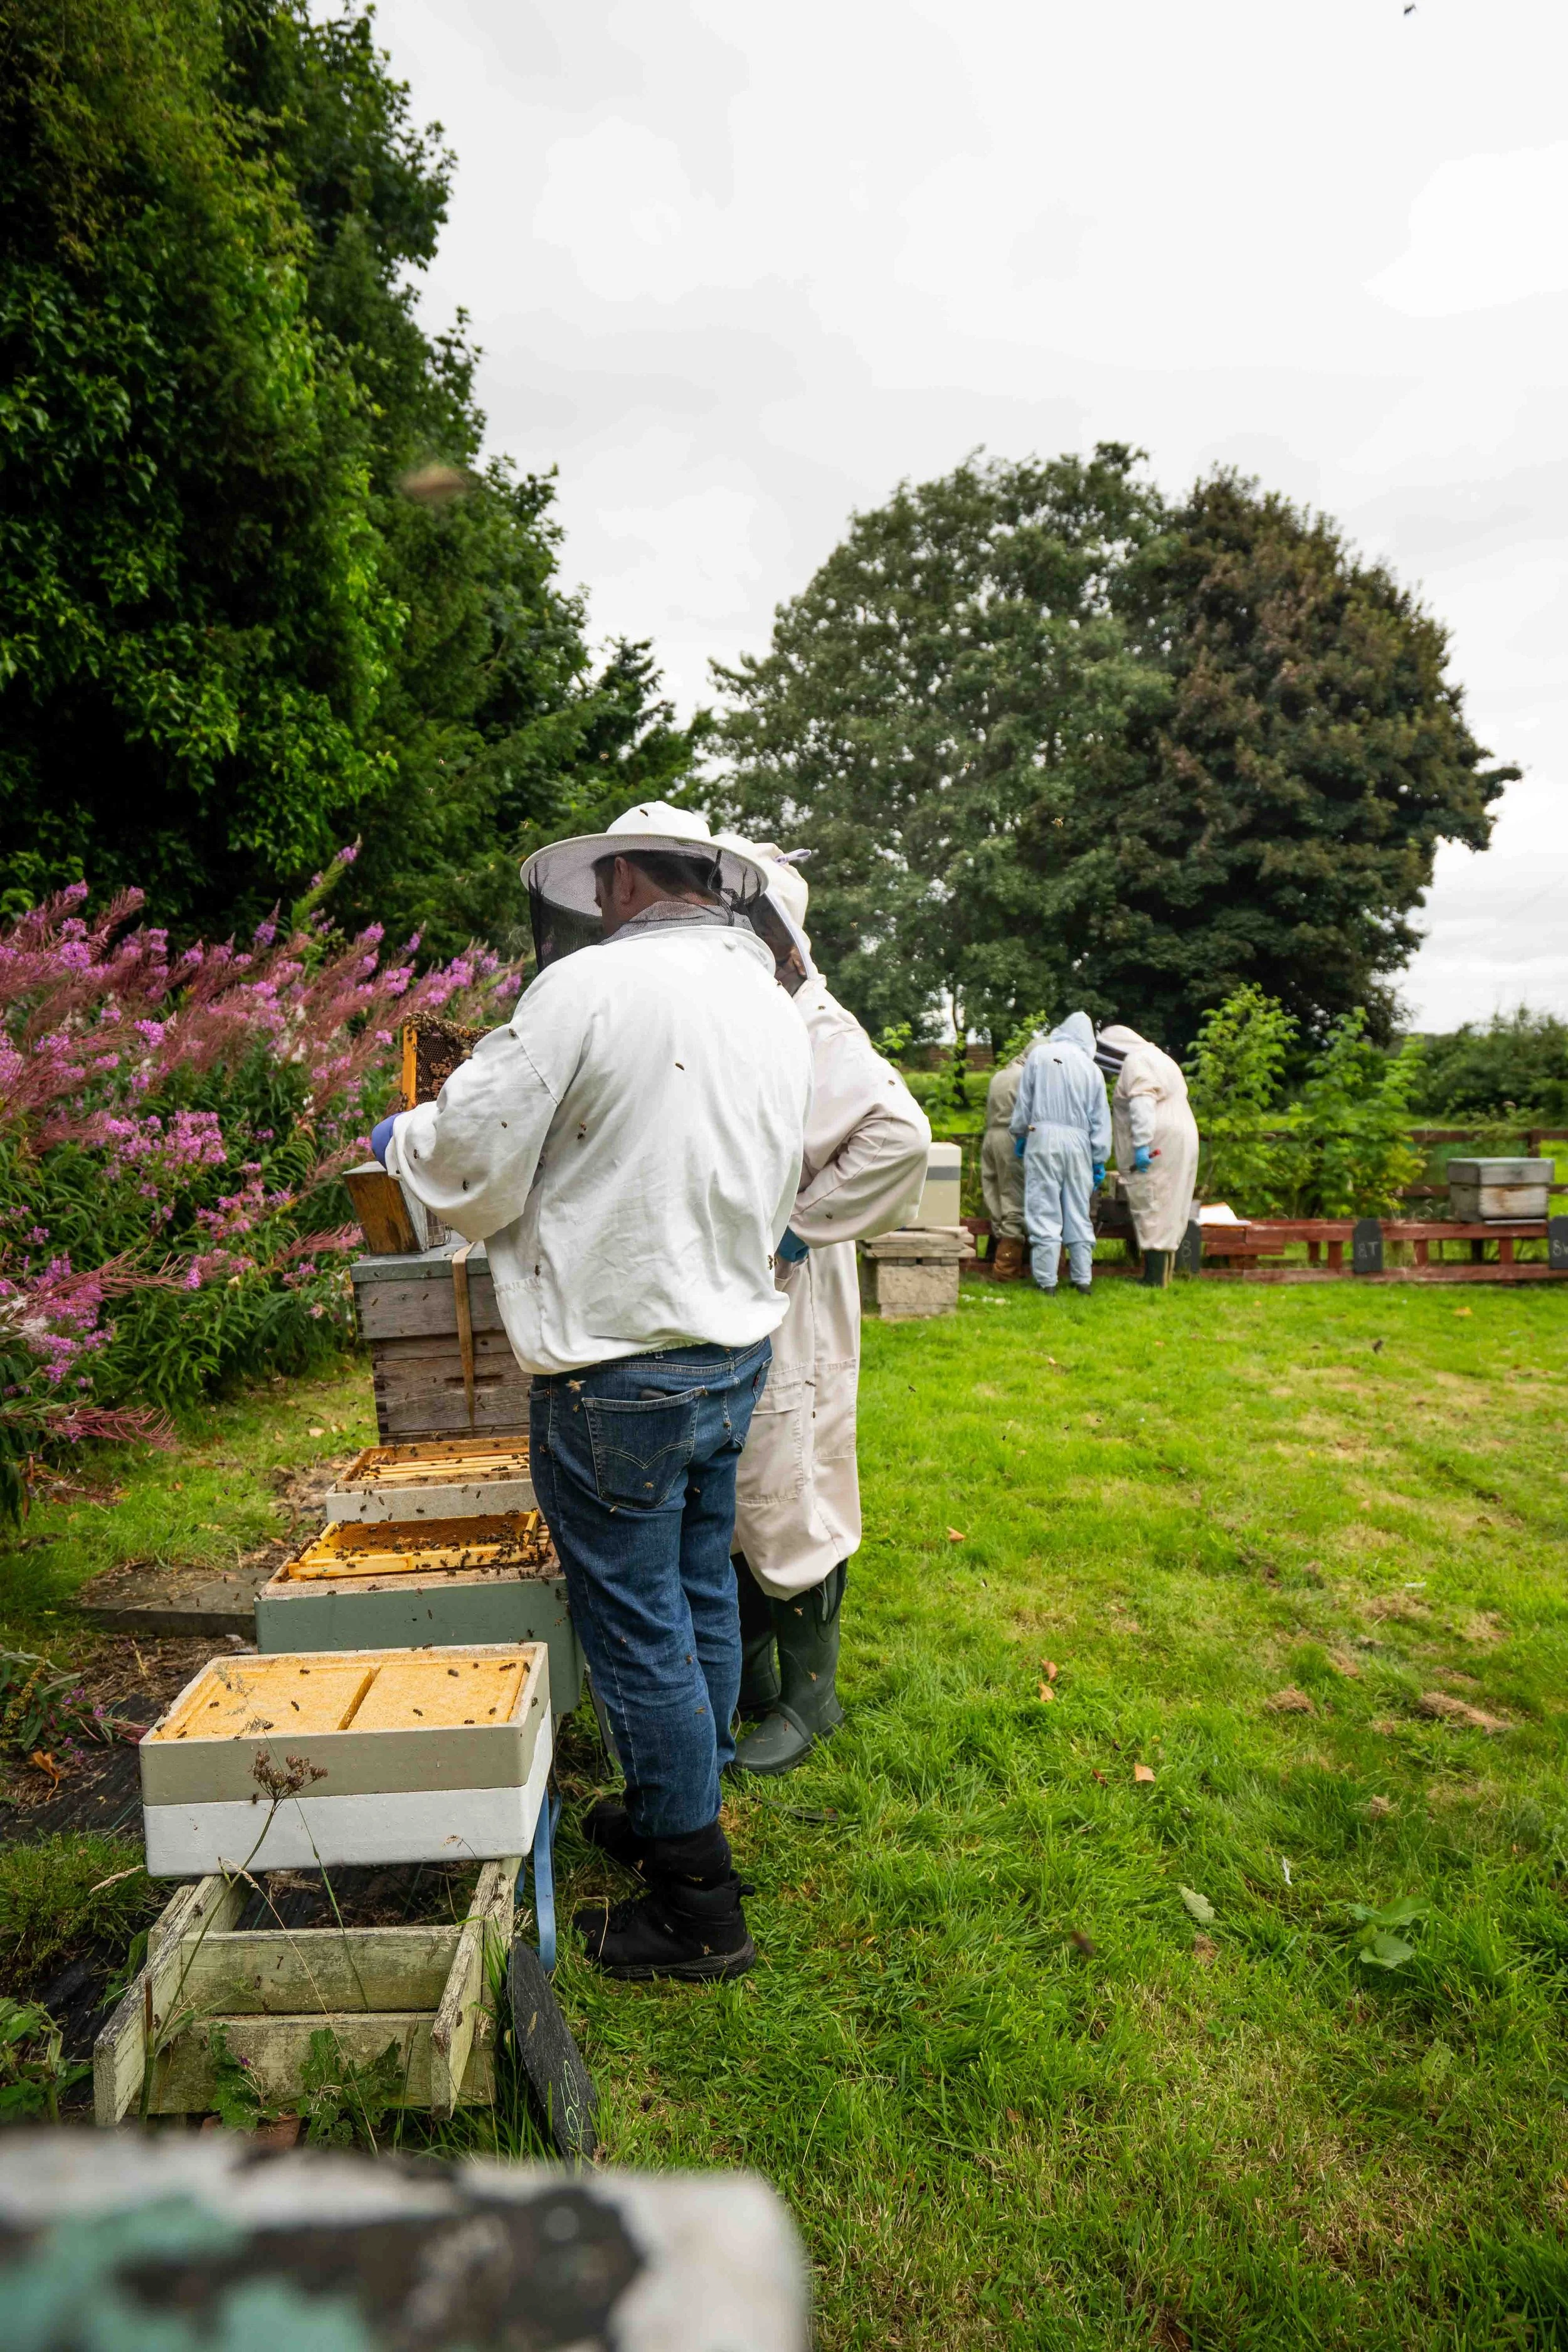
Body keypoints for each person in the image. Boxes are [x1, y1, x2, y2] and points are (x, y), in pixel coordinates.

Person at [375, 802, 813, 1982]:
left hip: (621, 1365)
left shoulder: (587, 992)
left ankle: (697, 1907)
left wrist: (403, 1138)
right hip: (731, 1350)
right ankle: (687, 1796)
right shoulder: (769, 1003)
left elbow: (472, 1152)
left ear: (620, 882)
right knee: (697, 1595)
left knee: (639, 1631)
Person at [714, 837, 931, 1776]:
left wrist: (798, 1232)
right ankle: (758, 1679)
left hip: (791, 1290)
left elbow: (899, 1137)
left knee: (786, 1478)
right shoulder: (750, 1018)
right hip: (742, 1283)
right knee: (735, 1487)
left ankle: (813, 1699)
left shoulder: (815, 1026)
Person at [1009, 1012, 1110, 1295]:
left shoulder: (1040, 1056)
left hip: (1041, 1137)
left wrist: (1019, 1134)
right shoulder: (1092, 1070)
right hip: (1080, 1143)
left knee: (1044, 1208)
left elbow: (1024, 1101)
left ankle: (1047, 1282)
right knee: (1078, 1210)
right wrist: (1099, 1158)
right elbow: (1100, 1118)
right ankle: (1083, 1280)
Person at [1093, 1023, 1200, 1288]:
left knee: (1153, 1200)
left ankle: (1154, 1279)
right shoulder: (1161, 1058)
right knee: (1169, 1203)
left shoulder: (1137, 1061)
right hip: (1181, 1136)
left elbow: (1142, 1102)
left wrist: (1141, 1143)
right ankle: (1164, 1275)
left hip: (1158, 1139)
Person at [980, 1046, 1032, 1279]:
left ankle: (999, 1254)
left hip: (991, 1137)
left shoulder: (1000, 1075)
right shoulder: (1025, 1076)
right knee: (1014, 1197)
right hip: (1012, 1138)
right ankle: (1006, 1268)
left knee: (995, 1197)